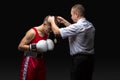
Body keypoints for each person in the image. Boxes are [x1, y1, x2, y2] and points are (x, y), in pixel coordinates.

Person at [48, 3, 95, 80]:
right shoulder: (90, 25)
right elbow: (76, 30)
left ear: (76, 14)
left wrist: (52, 21)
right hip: (90, 60)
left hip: (79, 60)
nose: (71, 17)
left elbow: (57, 32)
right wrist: (64, 21)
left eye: (71, 15)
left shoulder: (78, 26)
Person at [18, 15, 54, 80]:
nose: (50, 31)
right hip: (30, 61)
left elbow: (42, 48)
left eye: (51, 30)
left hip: (41, 61)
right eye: (49, 29)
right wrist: (35, 47)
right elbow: (20, 46)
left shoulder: (47, 34)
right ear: (44, 24)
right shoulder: (32, 32)